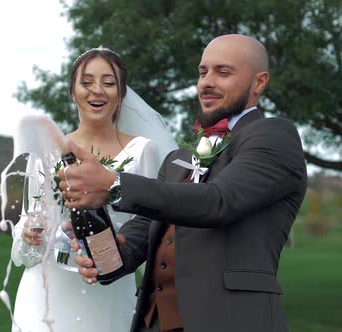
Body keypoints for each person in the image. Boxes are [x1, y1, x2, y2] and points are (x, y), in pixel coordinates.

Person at [59, 34, 308, 332]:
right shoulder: (177, 160)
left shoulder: (274, 137)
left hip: (232, 320)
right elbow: (137, 239)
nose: (207, 82)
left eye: (223, 72)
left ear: (259, 82)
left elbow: (218, 201)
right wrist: (98, 250)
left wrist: (114, 183)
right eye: (203, 72)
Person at [9, 47, 178, 332]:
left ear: (121, 93)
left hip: (107, 291)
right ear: (73, 91)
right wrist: (28, 233)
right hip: (45, 292)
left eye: (108, 83)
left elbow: (152, 226)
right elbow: (29, 220)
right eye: (86, 82)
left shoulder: (142, 152)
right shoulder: (46, 153)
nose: (96, 91)